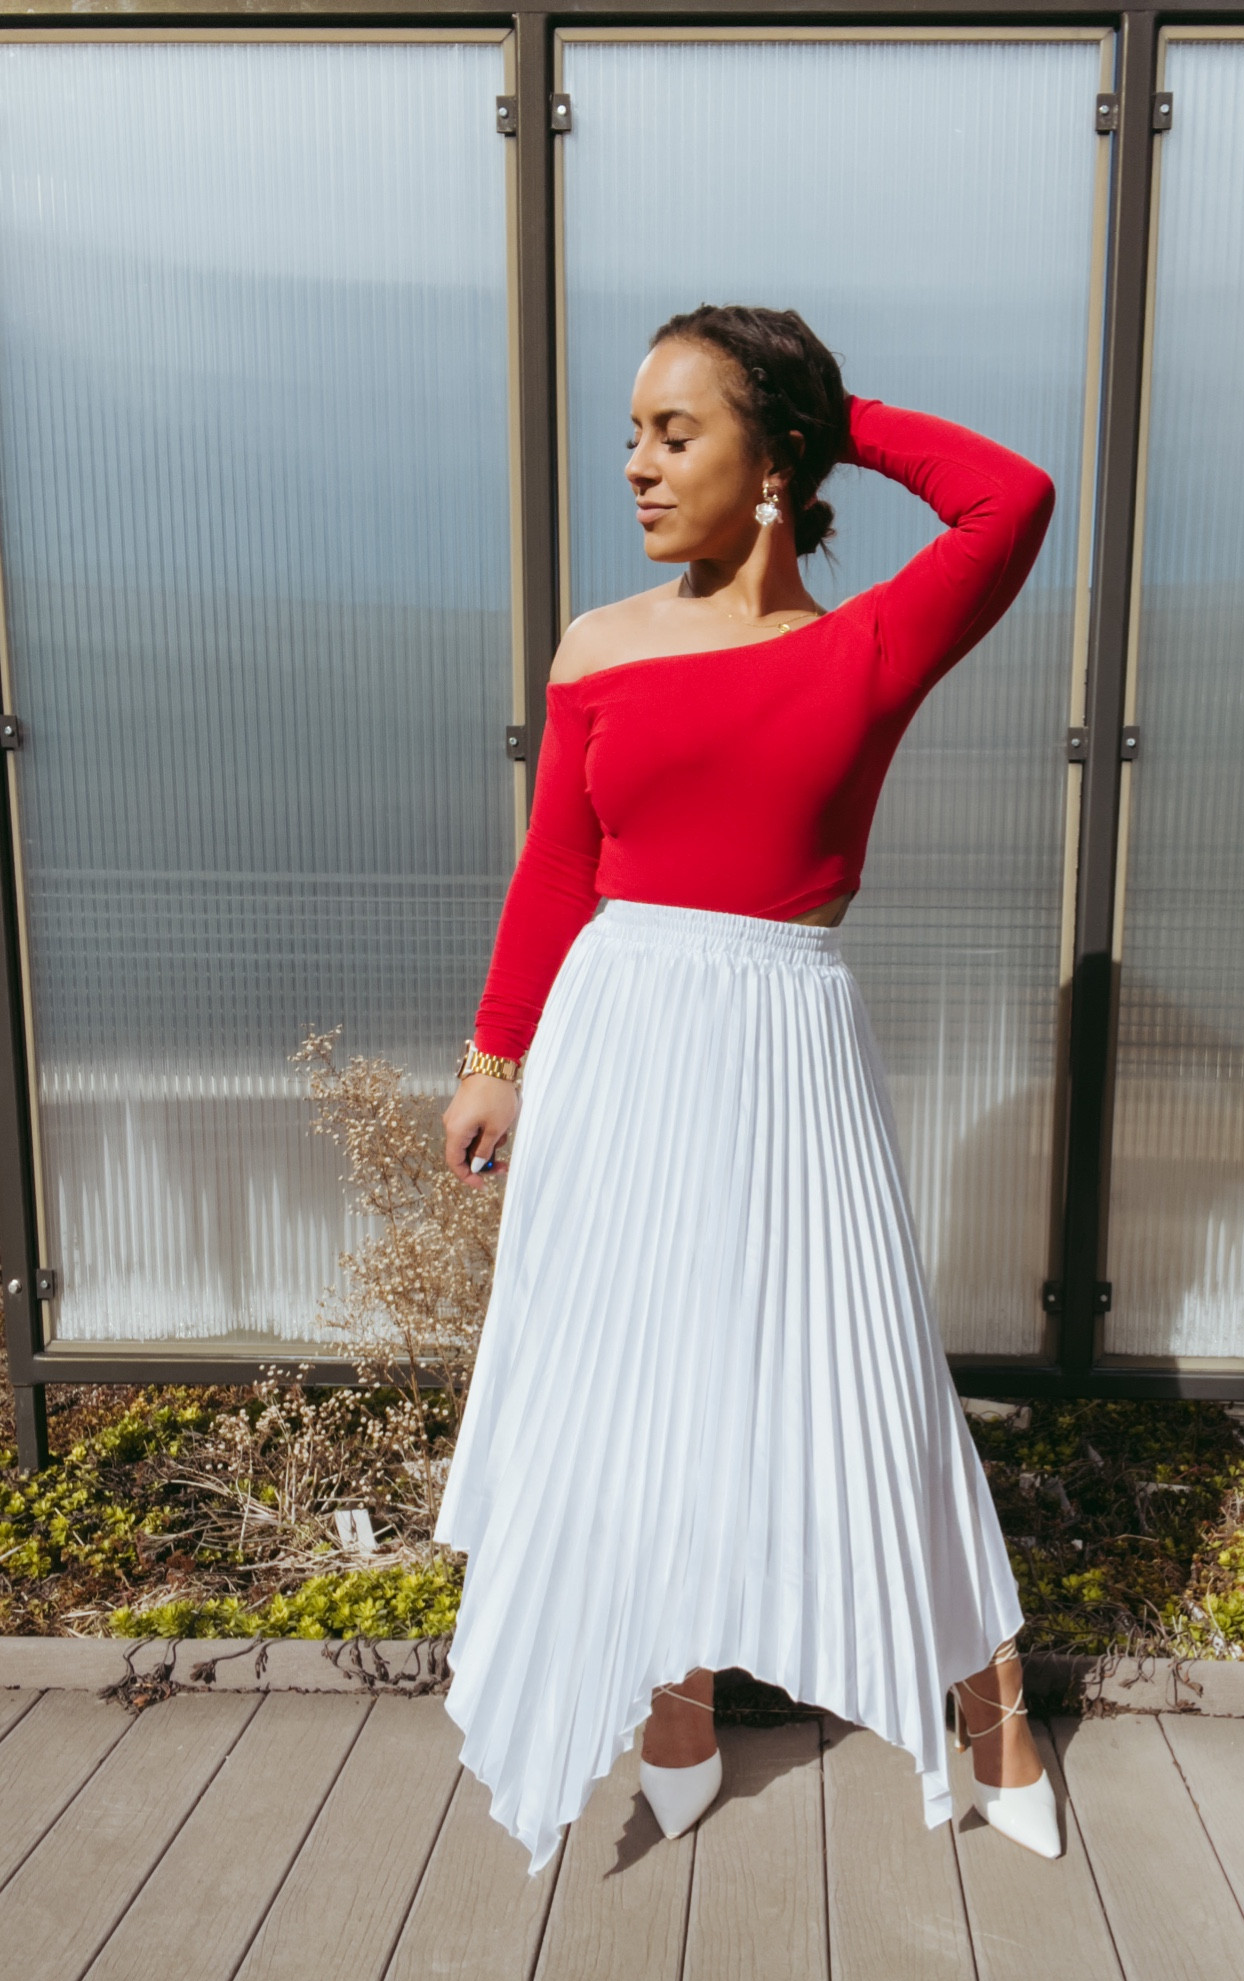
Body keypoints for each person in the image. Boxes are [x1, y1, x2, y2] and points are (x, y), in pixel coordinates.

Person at [435, 304, 1061, 1874]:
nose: (635, 463)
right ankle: (676, 1703)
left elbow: (1014, 495)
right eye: (634, 431)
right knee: (639, 1377)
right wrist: (495, 1055)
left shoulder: (864, 645)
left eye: (675, 430)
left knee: (863, 1374)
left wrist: (831, 415)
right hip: (616, 1037)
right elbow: (558, 866)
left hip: (783, 1048)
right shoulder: (598, 641)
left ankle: (989, 1701)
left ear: (767, 459)